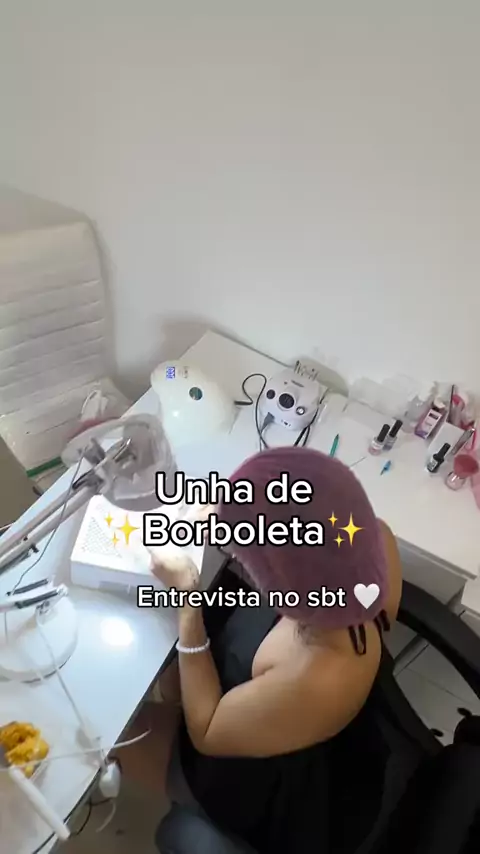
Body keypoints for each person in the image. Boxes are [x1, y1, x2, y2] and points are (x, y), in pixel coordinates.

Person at [151, 446, 403, 854]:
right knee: (170, 680)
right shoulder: (371, 539)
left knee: (123, 735)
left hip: (270, 782)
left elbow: (206, 731)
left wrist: (188, 603)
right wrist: (225, 509)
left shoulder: (319, 676)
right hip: (275, 700)